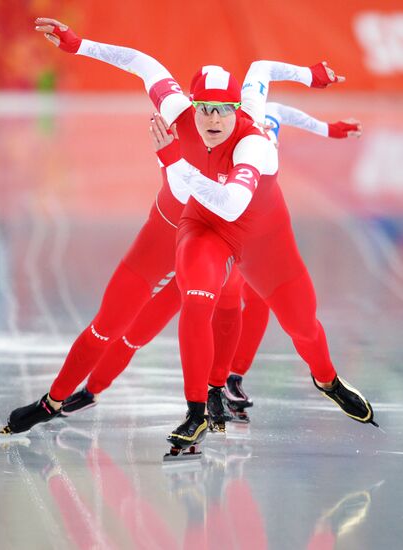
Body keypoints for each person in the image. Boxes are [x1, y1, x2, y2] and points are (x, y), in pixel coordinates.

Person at [0, 19, 376, 457]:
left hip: (255, 237)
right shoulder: (177, 112)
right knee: (115, 324)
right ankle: (62, 401)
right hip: (181, 229)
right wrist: (78, 44)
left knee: (300, 325)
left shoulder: (253, 142)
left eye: (223, 109)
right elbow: (142, 62)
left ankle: (323, 379)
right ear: (190, 105)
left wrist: (175, 162)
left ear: (238, 109)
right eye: (204, 108)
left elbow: (232, 206)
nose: (213, 119)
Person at [60, 102, 363, 429]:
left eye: (225, 112)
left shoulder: (259, 122)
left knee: (251, 304)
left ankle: (228, 382)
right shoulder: (207, 129)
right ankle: (96, 389)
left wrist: (330, 129)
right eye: (210, 111)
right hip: (205, 236)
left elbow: (283, 106)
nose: (217, 119)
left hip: (246, 239)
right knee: (144, 326)